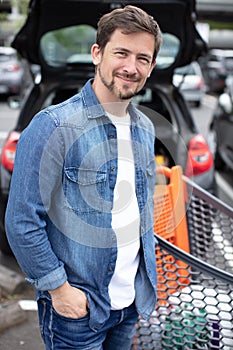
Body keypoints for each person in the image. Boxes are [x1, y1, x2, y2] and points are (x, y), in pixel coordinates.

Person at [5, 5, 162, 350]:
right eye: (121, 52)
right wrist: (59, 290)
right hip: (78, 310)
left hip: (130, 305)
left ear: (151, 67)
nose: (130, 67)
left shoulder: (145, 128)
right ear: (97, 53)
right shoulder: (54, 126)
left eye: (142, 58)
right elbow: (21, 221)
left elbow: (139, 210)